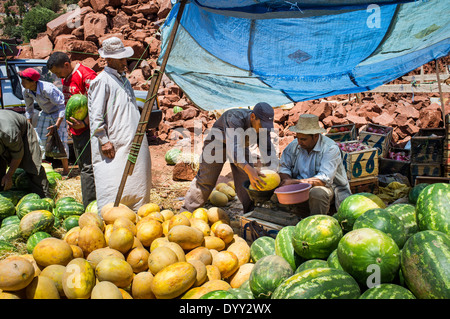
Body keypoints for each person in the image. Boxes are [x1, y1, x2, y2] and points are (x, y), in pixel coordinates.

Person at [88, 37, 152, 214]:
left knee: (138, 179)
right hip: (115, 143)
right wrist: (103, 140)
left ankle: (138, 217)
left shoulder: (123, 79)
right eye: (121, 58)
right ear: (109, 59)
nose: (125, 61)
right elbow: (96, 114)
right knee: (113, 182)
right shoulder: (102, 80)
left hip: (132, 140)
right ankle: (111, 219)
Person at [181, 102, 278, 214]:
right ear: (252, 117)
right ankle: (186, 212)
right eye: (261, 125)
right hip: (217, 143)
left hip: (240, 146)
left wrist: (273, 171)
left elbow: (268, 150)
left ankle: (250, 213)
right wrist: (249, 168)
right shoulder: (235, 117)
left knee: (247, 181)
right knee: (206, 180)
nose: (263, 129)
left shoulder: (262, 128)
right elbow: (234, 149)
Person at [47, 51, 97, 208]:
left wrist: (86, 123)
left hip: (87, 130)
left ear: (66, 65)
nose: (57, 77)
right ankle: (90, 202)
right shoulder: (65, 77)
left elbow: (97, 104)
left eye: (57, 72)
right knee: (83, 168)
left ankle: (90, 206)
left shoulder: (86, 75)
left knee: (88, 169)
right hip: (76, 131)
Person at [278, 114, 351, 216]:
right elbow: (284, 167)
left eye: (303, 139)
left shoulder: (330, 148)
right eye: (298, 138)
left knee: (317, 193)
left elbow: (324, 180)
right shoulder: (294, 145)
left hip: (329, 188)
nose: (299, 142)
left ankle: (316, 223)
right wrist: (287, 182)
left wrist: (295, 182)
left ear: (316, 136)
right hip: (299, 186)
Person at [20, 68, 70, 175]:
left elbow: (62, 106)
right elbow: (29, 109)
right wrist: (28, 125)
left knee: (61, 141)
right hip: (45, 113)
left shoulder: (47, 89)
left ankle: (66, 170)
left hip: (58, 113)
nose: (22, 83)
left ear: (33, 81)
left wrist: (57, 124)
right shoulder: (26, 90)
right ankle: (41, 170)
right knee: (39, 141)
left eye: (24, 81)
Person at [0, 109, 49, 197]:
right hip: (6, 132)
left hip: (22, 131)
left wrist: (9, 175)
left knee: (32, 165)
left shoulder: (9, 133)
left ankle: (43, 197)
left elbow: (17, 155)